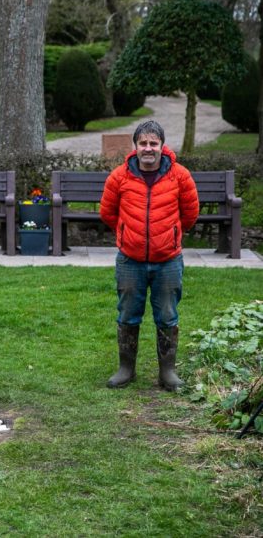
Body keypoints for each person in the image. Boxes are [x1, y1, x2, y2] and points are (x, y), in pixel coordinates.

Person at [100, 120, 199, 391]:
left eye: (153, 143)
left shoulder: (180, 176)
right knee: (128, 313)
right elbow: (107, 213)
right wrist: (127, 233)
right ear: (136, 146)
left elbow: (190, 214)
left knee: (167, 315)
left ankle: (167, 372)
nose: (148, 148)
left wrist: (171, 235)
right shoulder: (119, 177)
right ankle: (126, 369)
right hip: (130, 261)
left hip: (168, 260)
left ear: (162, 146)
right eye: (143, 143)